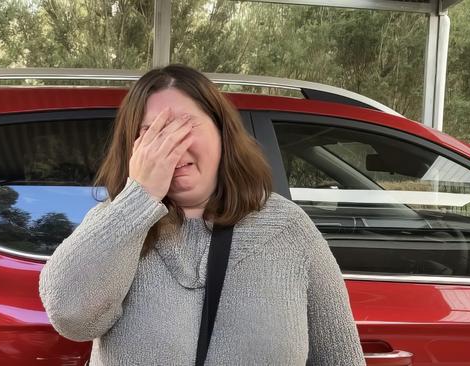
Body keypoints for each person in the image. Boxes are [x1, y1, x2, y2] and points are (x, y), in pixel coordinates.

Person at [39, 64, 365, 365]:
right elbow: (70, 316)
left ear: (221, 131)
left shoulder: (290, 230)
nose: (172, 146)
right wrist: (139, 196)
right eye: (151, 133)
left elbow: (341, 358)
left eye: (184, 125)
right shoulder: (116, 224)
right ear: (133, 149)